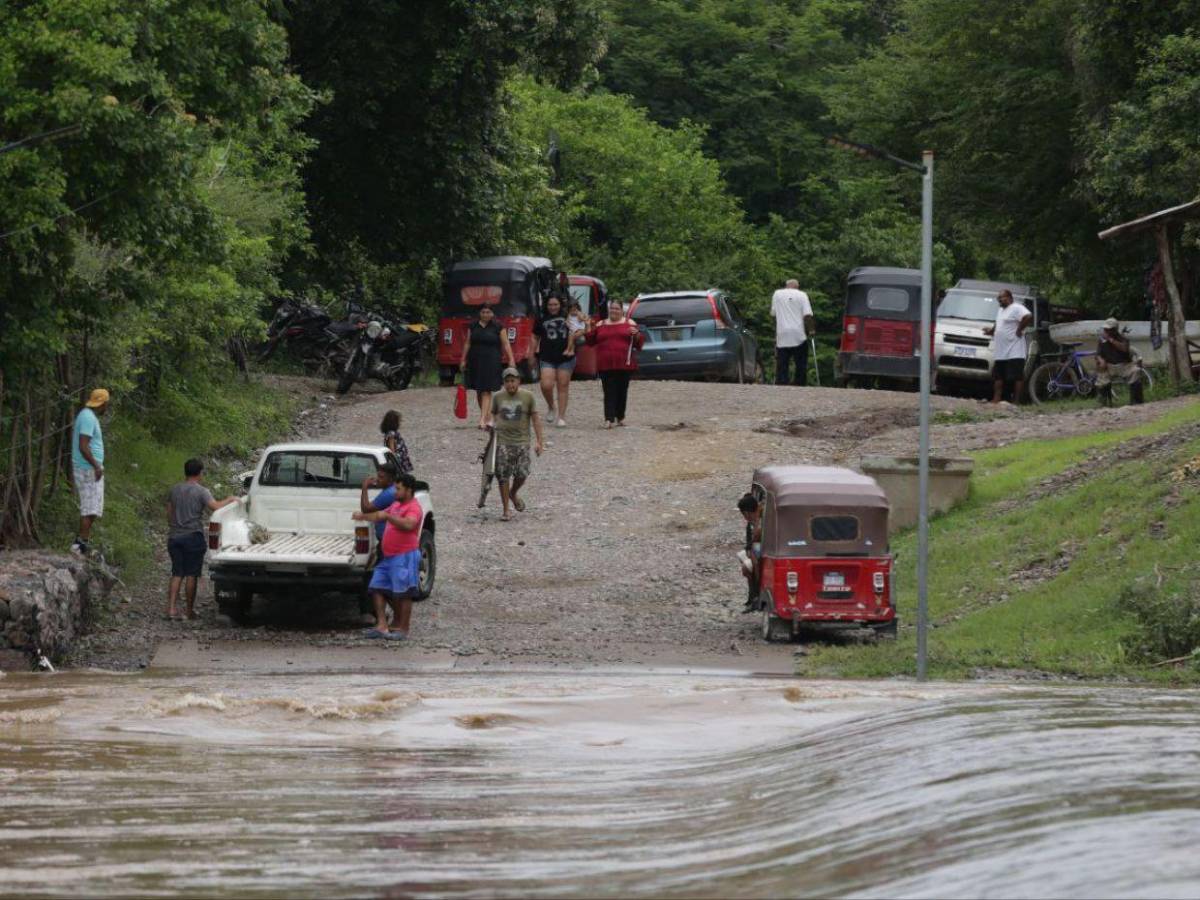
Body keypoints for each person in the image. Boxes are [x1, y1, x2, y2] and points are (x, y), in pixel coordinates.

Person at [352, 472, 422, 640]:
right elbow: (379, 515)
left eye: (398, 489)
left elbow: (409, 524)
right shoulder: (396, 504)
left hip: (404, 556)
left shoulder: (413, 507)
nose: (395, 492)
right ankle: (382, 625)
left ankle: (403, 629)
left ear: (409, 490)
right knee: (377, 587)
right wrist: (363, 516)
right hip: (389, 556)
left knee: (404, 592)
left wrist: (389, 517)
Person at [166, 458, 238, 620]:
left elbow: (169, 514)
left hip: (174, 536)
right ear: (200, 473)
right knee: (191, 574)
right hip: (192, 536)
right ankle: (188, 611)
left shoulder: (174, 490)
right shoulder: (201, 491)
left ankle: (171, 609)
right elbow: (215, 507)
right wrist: (230, 499)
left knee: (177, 572)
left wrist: (175, 526)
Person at [491, 367, 544, 522]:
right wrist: (490, 424)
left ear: (518, 381)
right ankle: (506, 509)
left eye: (513, 381)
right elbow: (493, 414)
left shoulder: (528, 397)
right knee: (502, 475)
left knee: (522, 473)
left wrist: (540, 441)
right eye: (507, 381)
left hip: (522, 442)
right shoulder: (498, 397)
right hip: (502, 442)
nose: (510, 384)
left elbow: (535, 419)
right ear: (504, 383)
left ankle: (513, 492)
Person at [587, 299, 644, 428]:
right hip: (605, 364)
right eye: (612, 308)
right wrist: (588, 327)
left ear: (622, 310)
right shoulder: (600, 324)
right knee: (608, 391)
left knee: (622, 391)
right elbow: (590, 341)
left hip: (624, 363)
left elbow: (638, 343)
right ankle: (609, 418)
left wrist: (637, 335)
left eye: (616, 308)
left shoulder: (630, 323)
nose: (614, 311)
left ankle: (620, 416)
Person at [460, 305, 515, 430]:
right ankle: (487, 417)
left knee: (486, 390)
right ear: (480, 313)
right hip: (475, 360)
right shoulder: (473, 326)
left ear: (492, 313)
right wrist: (463, 359)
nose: (485, 314)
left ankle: (481, 420)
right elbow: (468, 343)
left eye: (488, 312)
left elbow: (506, 344)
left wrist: (511, 359)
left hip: (492, 360)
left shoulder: (498, 327)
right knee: (479, 390)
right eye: (483, 312)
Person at [70, 388, 110, 555]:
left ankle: (83, 541)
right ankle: (80, 545)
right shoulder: (87, 418)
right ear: (103, 403)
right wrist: (96, 465)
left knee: (93, 508)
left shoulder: (88, 416)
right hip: (87, 469)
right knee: (89, 508)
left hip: (89, 468)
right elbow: (83, 445)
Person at [983, 288, 1033, 403]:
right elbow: (998, 322)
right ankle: (996, 399)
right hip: (1001, 350)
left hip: (1014, 349)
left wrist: (1020, 329)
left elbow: (1028, 316)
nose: (999, 300)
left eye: (1002, 297)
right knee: (998, 375)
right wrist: (991, 331)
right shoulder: (1001, 310)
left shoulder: (1016, 307)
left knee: (1016, 376)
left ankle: (1016, 401)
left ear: (1010, 298)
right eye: (998, 298)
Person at [532, 293, 574, 427]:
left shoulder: (568, 316)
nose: (553, 307)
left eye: (555, 304)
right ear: (546, 305)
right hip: (547, 356)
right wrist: (532, 352)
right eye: (550, 304)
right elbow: (535, 336)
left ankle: (561, 417)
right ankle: (551, 406)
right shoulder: (541, 318)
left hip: (565, 356)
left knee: (563, 385)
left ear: (560, 305)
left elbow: (578, 329)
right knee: (546, 384)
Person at [771, 279, 815, 386]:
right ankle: (799, 383)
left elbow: (773, 314)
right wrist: (811, 330)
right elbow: (807, 315)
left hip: (782, 333)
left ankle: (782, 382)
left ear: (787, 286)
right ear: (797, 286)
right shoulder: (802, 295)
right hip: (798, 334)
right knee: (800, 362)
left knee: (782, 362)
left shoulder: (777, 294)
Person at [1096, 317, 1144, 406]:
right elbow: (1098, 354)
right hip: (1109, 366)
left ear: (1115, 330)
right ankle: (1103, 404)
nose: (1106, 331)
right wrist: (1101, 360)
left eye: (1108, 329)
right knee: (1101, 378)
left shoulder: (1122, 338)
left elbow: (1125, 349)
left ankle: (1136, 402)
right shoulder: (1102, 340)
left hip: (1124, 365)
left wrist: (1111, 340)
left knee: (1135, 371)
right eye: (1105, 329)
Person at [737, 493, 762, 612]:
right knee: (744, 558)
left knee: (747, 567)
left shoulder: (760, 521)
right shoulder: (754, 521)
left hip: (763, 553)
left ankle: (757, 593)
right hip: (757, 550)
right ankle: (752, 595)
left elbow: (756, 538)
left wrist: (750, 549)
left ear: (746, 512)